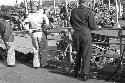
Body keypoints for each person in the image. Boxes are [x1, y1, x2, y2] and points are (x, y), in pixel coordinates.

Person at [70, 0, 98, 81]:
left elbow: (71, 22)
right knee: (86, 55)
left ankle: (75, 72)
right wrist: (98, 27)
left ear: (79, 2)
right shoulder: (88, 12)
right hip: (85, 34)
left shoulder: (73, 11)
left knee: (78, 53)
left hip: (76, 34)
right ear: (86, 3)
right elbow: (92, 26)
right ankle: (85, 74)